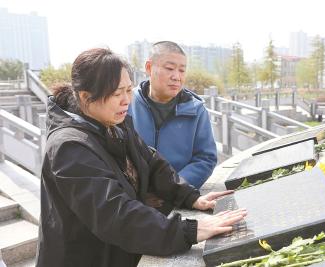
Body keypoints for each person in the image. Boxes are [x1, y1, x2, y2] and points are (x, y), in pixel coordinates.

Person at [36, 48, 246, 267]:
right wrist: (190, 230)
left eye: (129, 90)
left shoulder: (115, 124)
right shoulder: (69, 147)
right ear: (85, 97)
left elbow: (150, 161)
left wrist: (189, 196)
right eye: (117, 94)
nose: (126, 100)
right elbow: (114, 214)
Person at [128, 41, 217, 189]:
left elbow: (205, 158)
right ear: (149, 68)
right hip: (133, 197)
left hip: (177, 196)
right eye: (169, 68)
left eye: (182, 70)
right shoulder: (127, 103)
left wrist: (172, 188)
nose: (176, 77)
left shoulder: (196, 110)